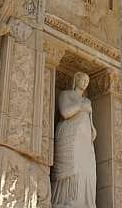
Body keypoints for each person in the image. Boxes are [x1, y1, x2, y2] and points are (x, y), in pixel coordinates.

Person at [51, 72, 97, 208]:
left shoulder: (87, 101)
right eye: (82, 79)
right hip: (69, 136)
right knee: (72, 166)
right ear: (75, 79)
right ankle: (65, 200)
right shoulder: (66, 94)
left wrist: (93, 131)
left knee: (86, 170)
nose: (85, 82)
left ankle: (83, 202)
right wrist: (81, 106)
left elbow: (90, 121)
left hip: (85, 140)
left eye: (87, 81)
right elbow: (65, 112)